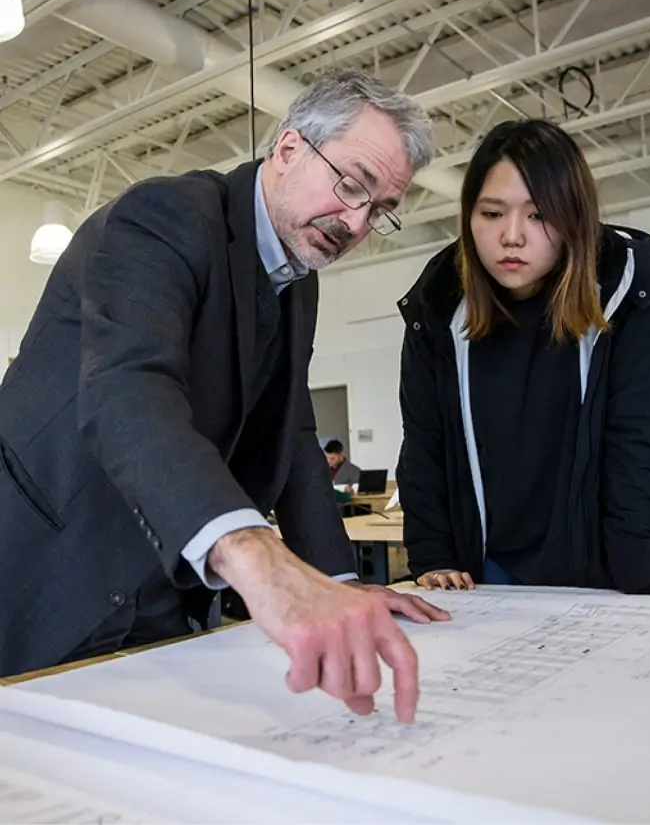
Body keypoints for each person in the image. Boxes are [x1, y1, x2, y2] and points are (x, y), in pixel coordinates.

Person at [0, 68, 449, 720]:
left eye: (379, 209)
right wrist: (257, 554)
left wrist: (339, 581)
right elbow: (131, 388)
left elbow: (292, 426)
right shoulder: (163, 215)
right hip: (45, 563)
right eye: (352, 184)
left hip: (156, 580)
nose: (355, 222)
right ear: (289, 148)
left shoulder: (299, 274)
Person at [396, 118, 650, 595]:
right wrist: (432, 554)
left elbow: (633, 441)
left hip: (605, 563)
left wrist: (643, 569)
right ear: (468, 217)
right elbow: (424, 444)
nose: (512, 236)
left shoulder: (625, 289)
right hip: (484, 569)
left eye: (539, 215)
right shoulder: (437, 304)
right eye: (491, 213)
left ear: (574, 217)